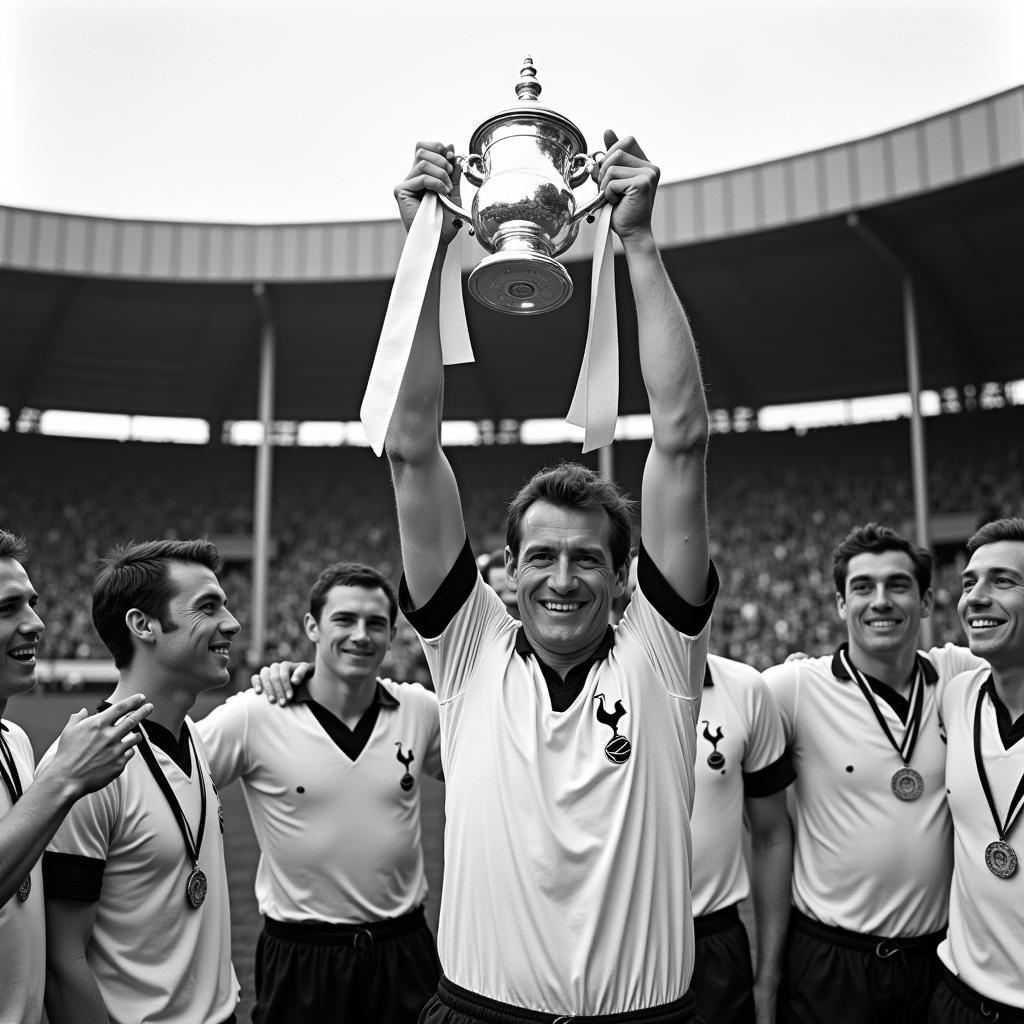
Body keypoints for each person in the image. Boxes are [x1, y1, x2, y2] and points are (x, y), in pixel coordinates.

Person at [385, 133, 717, 1020]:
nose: (561, 579)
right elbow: (411, 451)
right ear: (505, 572)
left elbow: (681, 442)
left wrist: (639, 243)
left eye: (586, 559)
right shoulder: (468, 653)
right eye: (540, 557)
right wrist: (424, 249)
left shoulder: (659, 655)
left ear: (624, 581)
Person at [198, 562, 443, 1024]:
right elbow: (170, 773)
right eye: (344, 620)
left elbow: (491, 768)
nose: (360, 635)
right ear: (312, 626)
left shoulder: (420, 710)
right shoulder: (256, 715)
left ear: (393, 635)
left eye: (376, 624)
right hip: (302, 955)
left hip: (403, 950)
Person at [763, 523, 985, 1024]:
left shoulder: (962, 676)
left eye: (898, 586)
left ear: (927, 602)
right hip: (830, 961)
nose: (880, 600)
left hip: (937, 961)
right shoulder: (793, 688)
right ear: (841, 604)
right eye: (862, 588)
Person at [42, 539, 241, 1024]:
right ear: (142, 625)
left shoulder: (189, 731)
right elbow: (61, 960)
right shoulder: (84, 767)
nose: (232, 622)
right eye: (208, 607)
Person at [0, 529, 150, 1024]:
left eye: (33, 604)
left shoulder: (15, 740)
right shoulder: (48, 763)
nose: (36, 623)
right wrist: (64, 779)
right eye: (7, 609)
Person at [929, 517, 1024, 1023]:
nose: (976, 598)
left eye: (1003, 581)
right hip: (957, 996)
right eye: (969, 583)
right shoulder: (956, 690)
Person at [691, 653, 794, 1024]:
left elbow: (771, 835)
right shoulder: (594, 682)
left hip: (714, 942)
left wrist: (767, 981)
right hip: (615, 944)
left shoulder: (744, 688)